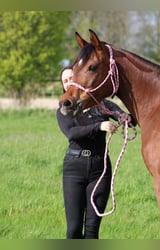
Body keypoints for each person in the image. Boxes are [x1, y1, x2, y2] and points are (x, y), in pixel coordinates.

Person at [56, 66, 135, 239]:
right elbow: (72, 133)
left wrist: (125, 118)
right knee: (74, 229)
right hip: (74, 169)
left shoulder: (102, 105)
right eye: (65, 81)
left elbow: (120, 114)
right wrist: (99, 126)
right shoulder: (64, 110)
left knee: (92, 230)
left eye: (72, 78)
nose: (69, 82)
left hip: (100, 170)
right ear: (63, 86)